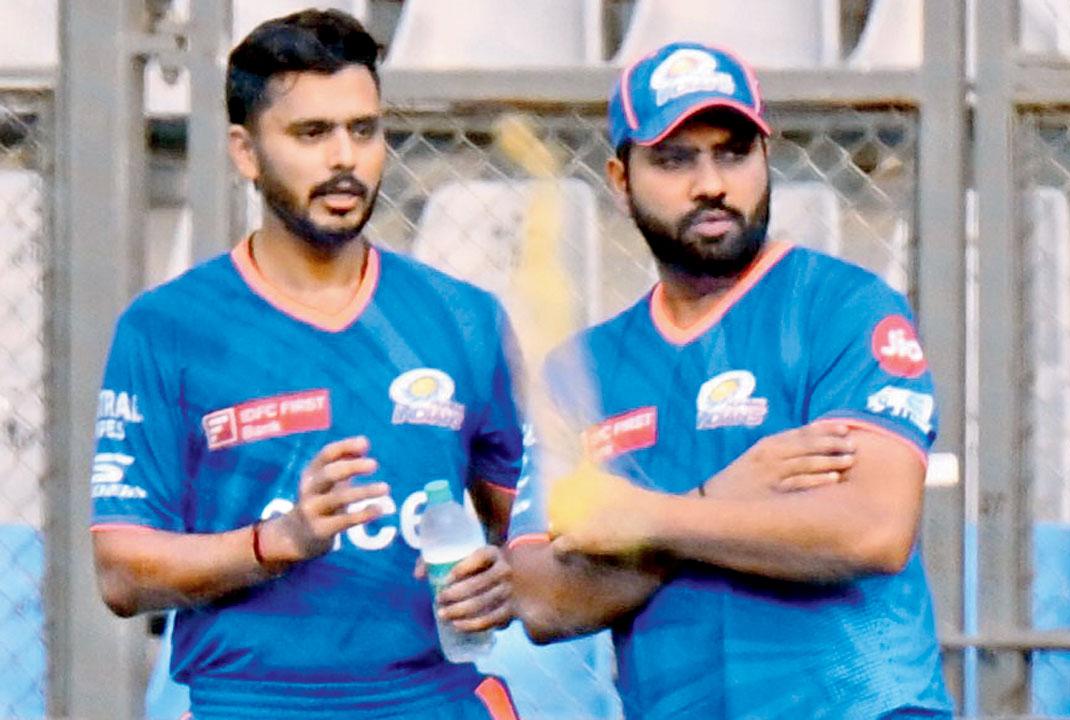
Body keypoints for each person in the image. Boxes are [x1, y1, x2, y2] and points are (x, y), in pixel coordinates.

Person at [90, 11, 523, 719]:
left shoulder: (464, 318)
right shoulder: (166, 327)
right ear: (245, 150)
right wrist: (279, 541)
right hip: (253, 702)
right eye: (311, 133)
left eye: (363, 129)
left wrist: (507, 578)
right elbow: (121, 570)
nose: (345, 158)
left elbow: (534, 535)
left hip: (430, 698)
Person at [507, 41, 954, 719]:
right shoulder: (584, 370)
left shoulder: (842, 308)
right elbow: (543, 600)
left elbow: (872, 530)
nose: (711, 183)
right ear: (621, 181)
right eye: (674, 159)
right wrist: (725, 502)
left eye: (733, 152)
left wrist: (645, 519)